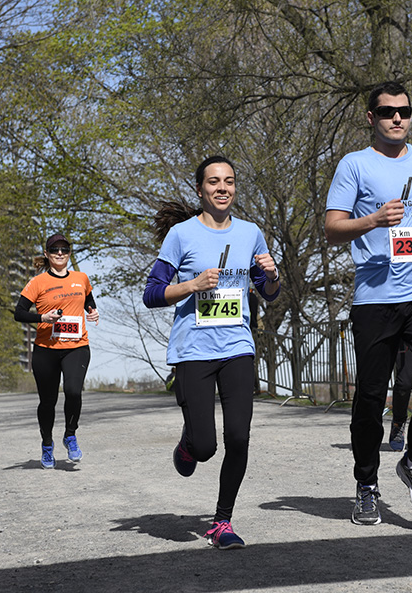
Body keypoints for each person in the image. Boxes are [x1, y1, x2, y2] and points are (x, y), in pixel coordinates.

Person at [325, 81, 412, 526]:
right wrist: (373, 220)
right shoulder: (354, 166)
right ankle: (366, 485)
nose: (396, 118)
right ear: (371, 118)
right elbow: (332, 227)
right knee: (369, 398)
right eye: (386, 112)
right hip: (375, 298)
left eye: (403, 111)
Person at [143, 156, 281, 550]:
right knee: (206, 448)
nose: (223, 188)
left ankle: (222, 522)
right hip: (194, 351)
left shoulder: (251, 233)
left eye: (230, 182)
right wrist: (192, 285)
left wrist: (271, 275)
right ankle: (189, 442)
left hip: (237, 346)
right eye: (214, 182)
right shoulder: (182, 236)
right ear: (200, 189)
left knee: (239, 437)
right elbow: (152, 294)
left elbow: (268, 293)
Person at [14, 233, 98, 469]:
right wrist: (42, 317)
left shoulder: (81, 278)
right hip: (45, 350)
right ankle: (47, 444)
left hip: (77, 346)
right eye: (54, 250)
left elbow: (89, 302)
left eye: (64, 249)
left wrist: (92, 312)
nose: (60, 253)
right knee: (47, 401)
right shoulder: (37, 282)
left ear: (69, 253)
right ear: (47, 254)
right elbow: (19, 313)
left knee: (73, 391)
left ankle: (70, 435)